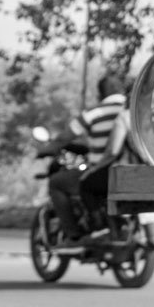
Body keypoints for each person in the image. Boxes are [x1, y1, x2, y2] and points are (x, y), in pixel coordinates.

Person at [48, 73, 128, 245]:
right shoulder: (132, 110)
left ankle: (73, 233)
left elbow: (65, 138)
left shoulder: (94, 112)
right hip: (134, 169)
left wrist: (47, 147)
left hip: (106, 169)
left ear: (101, 93)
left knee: (57, 182)